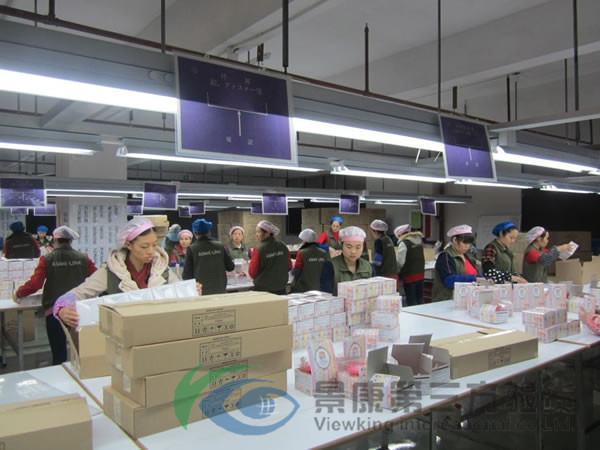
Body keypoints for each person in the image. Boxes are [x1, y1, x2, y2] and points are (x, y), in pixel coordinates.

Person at [53, 217, 194, 328]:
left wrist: (191, 291)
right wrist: (63, 309)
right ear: (128, 244)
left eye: (154, 244)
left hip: (156, 331)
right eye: (144, 246)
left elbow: (180, 291)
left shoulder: (161, 268)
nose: (151, 251)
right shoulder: (111, 272)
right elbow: (78, 293)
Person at [15, 226, 97, 365]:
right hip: (79, 310)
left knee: (58, 351)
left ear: (55, 241)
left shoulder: (47, 259)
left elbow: (35, 284)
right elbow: (96, 278)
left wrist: (19, 293)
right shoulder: (84, 258)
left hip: (54, 310)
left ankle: (60, 371)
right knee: (82, 350)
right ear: (71, 241)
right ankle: (82, 373)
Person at [183, 219, 234, 295]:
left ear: (194, 233)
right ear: (208, 231)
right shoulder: (219, 246)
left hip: (201, 292)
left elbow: (186, 276)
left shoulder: (192, 249)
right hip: (220, 290)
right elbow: (230, 267)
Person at [320, 226, 375, 296]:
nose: (353, 251)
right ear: (341, 245)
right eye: (349, 247)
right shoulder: (330, 266)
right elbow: (325, 296)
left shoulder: (369, 267)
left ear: (363, 247)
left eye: (358, 247)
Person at [432, 225, 481, 302]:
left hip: (466, 299)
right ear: (454, 240)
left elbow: (474, 273)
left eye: (469, 243)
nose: (467, 246)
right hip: (448, 300)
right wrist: (474, 279)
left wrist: (484, 279)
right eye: (464, 242)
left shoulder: (468, 256)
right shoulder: (445, 256)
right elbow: (449, 280)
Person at [249, 220, 291, 295]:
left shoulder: (259, 249)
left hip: (263, 290)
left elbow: (252, 272)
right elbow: (289, 266)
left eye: (258, 232)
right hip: (281, 288)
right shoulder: (283, 245)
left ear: (267, 233)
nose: (256, 235)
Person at [395, 224, 426, 306]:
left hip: (409, 275)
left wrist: (396, 270)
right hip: (421, 274)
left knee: (411, 301)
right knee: (420, 298)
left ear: (399, 235)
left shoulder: (404, 243)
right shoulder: (419, 241)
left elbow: (400, 262)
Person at [291, 229, 329, 293]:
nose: (302, 242)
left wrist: (291, 272)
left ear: (306, 241)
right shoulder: (324, 253)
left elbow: (296, 272)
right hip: (320, 288)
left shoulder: (301, 253)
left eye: (303, 240)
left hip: (304, 288)